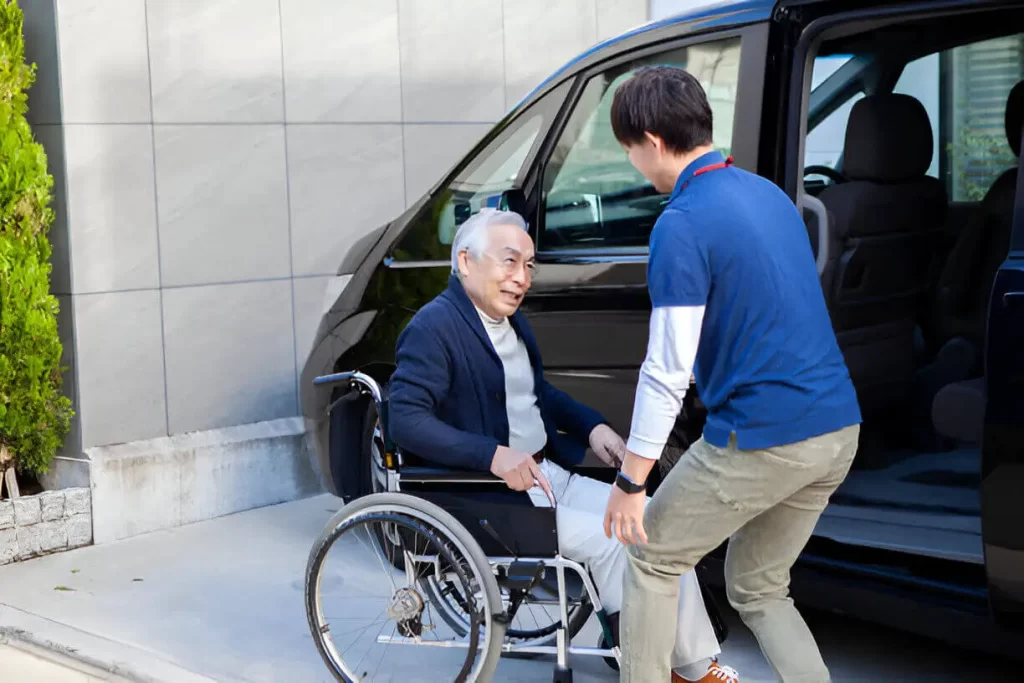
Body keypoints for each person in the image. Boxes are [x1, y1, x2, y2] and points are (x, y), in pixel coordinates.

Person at [388, 208, 741, 683]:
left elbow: (541, 396)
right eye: (509, 262)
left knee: (654, 517)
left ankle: (681, 662)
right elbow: (406, 420)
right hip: (489, 496)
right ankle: (664, 663)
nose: (522, 278)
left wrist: (593, 429)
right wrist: (490, 455)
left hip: (548, 475)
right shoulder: (434, 329)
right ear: (466, 262)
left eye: (529, 266)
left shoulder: (512, 325)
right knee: (620, 539)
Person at [600, 65, 863, 683]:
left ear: (651, 140)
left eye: (630, 150)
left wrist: (631, 480)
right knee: (760, 587)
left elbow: (667, 371)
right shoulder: (768, 194)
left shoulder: (682, 223)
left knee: (652, 557)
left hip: (763, 438)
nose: (633, 163)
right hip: (836, 431)